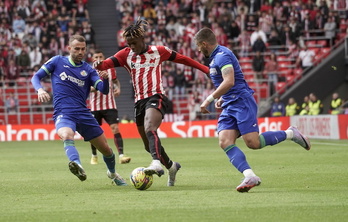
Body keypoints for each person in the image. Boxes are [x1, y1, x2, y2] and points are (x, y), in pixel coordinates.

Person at [193, 27, 311, 193]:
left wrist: (209, 99)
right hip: (229, 104)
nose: (198, 50)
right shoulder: (214, 59)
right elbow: (227, 84)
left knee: (253, 143)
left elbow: (229, 81)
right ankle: (250, 175)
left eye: (198, 46)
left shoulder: (222, 55)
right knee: (224, 141)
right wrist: (222, 97)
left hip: (241, 102)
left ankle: (291, 133)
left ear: (204, 43)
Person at [94, 19, 209, 186]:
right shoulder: (125, 54)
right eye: (129, 43)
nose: (131, 46)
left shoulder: (159, 51)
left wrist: (205, 69)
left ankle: (155, 163)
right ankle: (171, 166)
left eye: (134, 43)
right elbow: (106, 64)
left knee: (150, 128)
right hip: (139, 102)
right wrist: (99, 64)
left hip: (156, 96)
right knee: (148, 145)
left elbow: (183, 59)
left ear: (142, 39)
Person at [31, 35, 127, 186]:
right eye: (77, 49)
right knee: (66, 134)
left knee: (107, 150)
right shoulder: (57, 61)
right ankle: (77, 165)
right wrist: (40, 90)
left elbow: (103, 90)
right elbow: (36, 77)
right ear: (69, 48)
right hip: (64, 112)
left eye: (83, 49)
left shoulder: (88, 70)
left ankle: (113, 174)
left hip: (84, 114)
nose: (80, 52)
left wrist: (106, 80)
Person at [89, 50, 131, 165]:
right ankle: (94, 155)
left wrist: (118, 88)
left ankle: (121, 155)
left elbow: (115, 80)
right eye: (96, 56)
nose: (98, 58)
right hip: (95, 107)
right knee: (93, 132)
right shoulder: (89, 71)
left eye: (100, 56)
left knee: (115, 128)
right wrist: (100, 86)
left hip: (110, 105)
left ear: (103, 57)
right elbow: (88, 88)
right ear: (92, 59)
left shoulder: (111, 69)